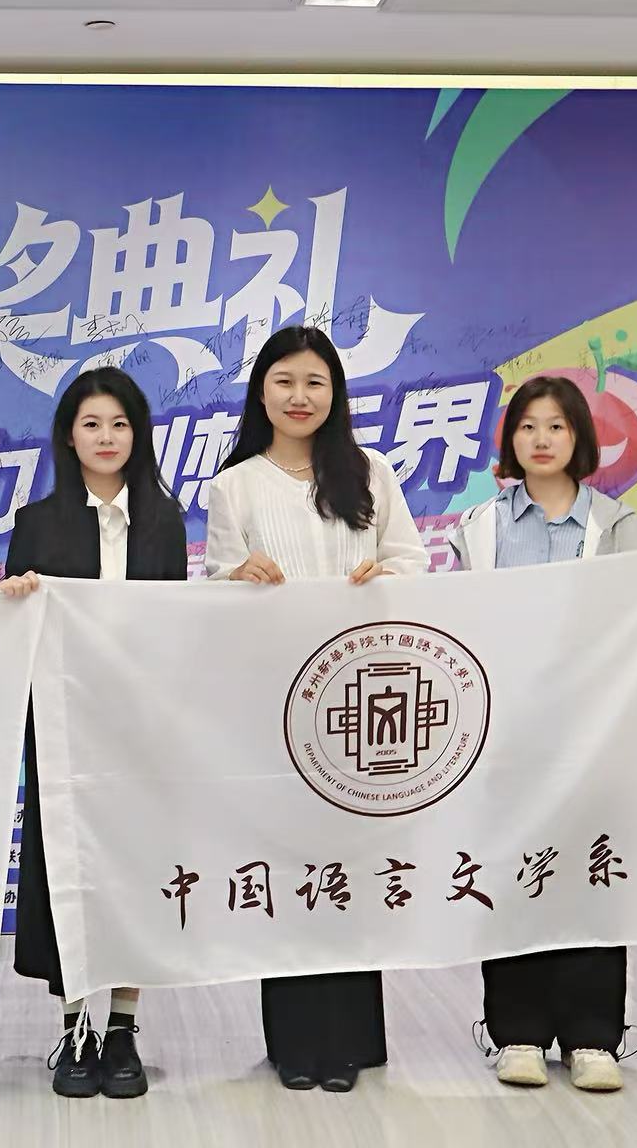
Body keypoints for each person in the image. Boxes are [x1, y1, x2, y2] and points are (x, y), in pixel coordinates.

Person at [447, 373, 637, 1095]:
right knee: (513, 877)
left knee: (593, 874)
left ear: (580, 438)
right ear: (510, 439)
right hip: (505, 735)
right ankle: (517, 1033)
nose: (541, 439)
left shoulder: (621, 528)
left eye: (556, 426)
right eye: (527, 426)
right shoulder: (478, 527)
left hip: (594, 735)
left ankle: (594, 1036)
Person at [203, 325, 425, 1093]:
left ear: (335, 393)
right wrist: (237, 577)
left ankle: (353, 1041)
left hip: (362, 699)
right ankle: (294, 1042)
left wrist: (384, 578)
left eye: (315, 382)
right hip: (275, 702)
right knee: (292, 863)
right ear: (261, 391)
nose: (300, 396)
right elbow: (213, 587)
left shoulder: (370, 471)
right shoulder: (234, 486)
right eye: (285, 381)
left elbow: (412, 563)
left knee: (355, 865)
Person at [0, 367, 189, 1099]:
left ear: (138, 435)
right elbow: (14, 629)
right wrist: (15, 596)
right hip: (63, 726)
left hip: (141, 728)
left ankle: (124, 1027)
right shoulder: (37, 523)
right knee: (67, 871)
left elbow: (176, 628)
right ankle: (75, 1025)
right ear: (68, 436)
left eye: (119, 424)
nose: (106, 438)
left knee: (134, 870)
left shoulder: (165, 522)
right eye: (91, 424)